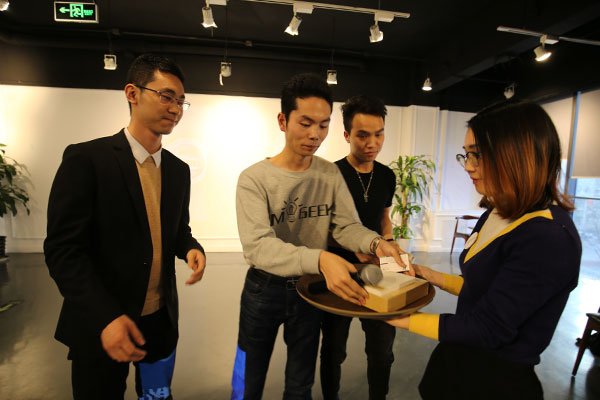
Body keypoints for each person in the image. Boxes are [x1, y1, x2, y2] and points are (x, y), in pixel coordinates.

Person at [231, 74, 410, 400]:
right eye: (306, 123)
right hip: (263, 290)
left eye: (323, 125)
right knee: (247, 377)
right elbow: (258, 247)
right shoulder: (254, 179)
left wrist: (376, 243)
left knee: (300, 383)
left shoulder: (328, 174)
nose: (315, 134)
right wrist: (321, 258)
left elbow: (346, 226)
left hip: (309, 289)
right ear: (283, 121)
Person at [387, 101, 582, 400]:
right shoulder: (497, 210)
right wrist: (429, 275)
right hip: (458, 364)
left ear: (518, 154)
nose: (468, 166)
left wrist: (395, 316)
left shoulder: (548, 237)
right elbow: (485, 289)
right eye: (467, 154)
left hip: (495, 381)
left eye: (478, 154)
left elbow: (488, 327)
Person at [44, 54, 206, 400]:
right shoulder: (87, 160)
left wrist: (191, 248)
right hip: (101, 324)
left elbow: (178, 229)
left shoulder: (178, 170)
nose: (175, 108)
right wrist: (106, 317)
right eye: (166, 96)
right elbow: (63, 252)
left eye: (181, 101)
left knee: (156, 395)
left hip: (159, 321)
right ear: (132, 93)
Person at [320, 95, 398, 400]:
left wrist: (389, 243)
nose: (372, 143)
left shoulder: (387, 175)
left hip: (378, 272)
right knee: (333, 349)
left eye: (379, 134)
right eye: (363, 135)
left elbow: (384, 219)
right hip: (339, 273)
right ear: (347, 135)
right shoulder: (330, 174)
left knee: (382, 351)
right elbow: (321, 229)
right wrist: (351, 246)